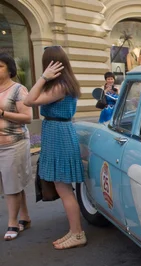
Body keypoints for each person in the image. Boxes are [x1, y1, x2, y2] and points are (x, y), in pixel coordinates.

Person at [23, 46, 87, 250]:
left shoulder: (59, 87)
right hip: (59, 133)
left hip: (59, 135)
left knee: (64, 189)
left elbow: (28, 100)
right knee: (64, 188)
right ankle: (74, 230)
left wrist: (43, 77)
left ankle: (77, 234)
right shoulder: (65, 84)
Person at [0, 53, 33, 241]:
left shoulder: (18, 90)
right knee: (11, 182)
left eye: (0, 66)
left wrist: (3, 112)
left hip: (14, 142)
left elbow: (27, 117)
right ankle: (25, 217)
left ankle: (12, 222)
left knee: (12, 185)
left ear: (10, 69)